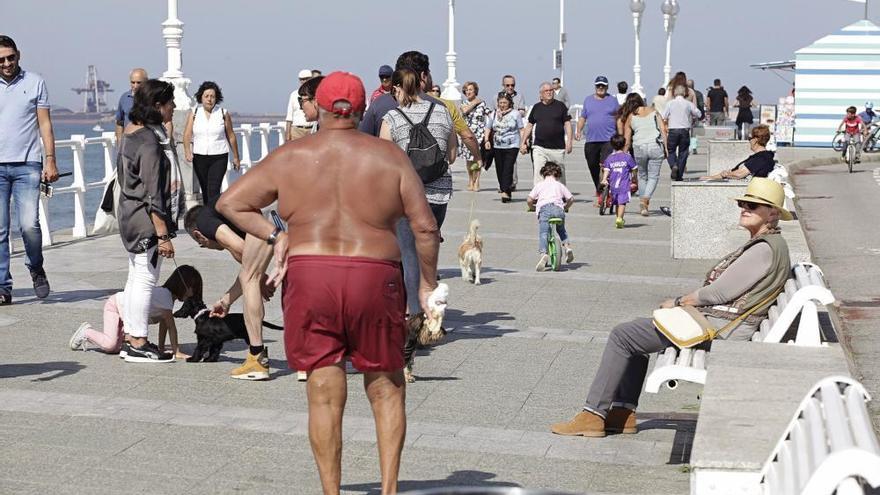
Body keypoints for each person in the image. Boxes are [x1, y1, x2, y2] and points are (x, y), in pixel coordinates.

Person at [217, 70, 440, 495]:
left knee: (322, 386)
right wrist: (426, 285)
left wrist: (276, 234)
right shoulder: (389, 157)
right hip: (375, 275)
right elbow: (425, 228)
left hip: (311, 275)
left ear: (317, 106)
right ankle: (389, 489)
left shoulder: (291, 155)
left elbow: (230, 202)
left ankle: (331, 491)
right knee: (387, 385)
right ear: (361, 109)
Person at [551, 177, 792, 438]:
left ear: (773, 213)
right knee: (634, 334)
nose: (745, 208)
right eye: (744, 203)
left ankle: (593, 415)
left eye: (753, 206)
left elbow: (719, 292)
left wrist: (678, 302)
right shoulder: (770, 244)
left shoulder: (764, 249)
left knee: (623, 336)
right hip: (727, 325)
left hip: (721, 331)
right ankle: (622, 414)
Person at [116, 79, 182, 363]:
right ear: (157, 106)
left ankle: (132, 337)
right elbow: (154, 192)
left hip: (128, 215)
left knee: (135, 277)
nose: (174, 107)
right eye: (170, 103)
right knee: (145, 279)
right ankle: (139, 341)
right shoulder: (149, 142)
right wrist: (163, 234)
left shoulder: (130, 134)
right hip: (145, 220)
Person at [380, 68, 454, 316]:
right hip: (439, 195)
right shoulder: (443, 112)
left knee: (409, 257)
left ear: (398, 89)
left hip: (406, 198)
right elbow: (452, 156)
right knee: (429, 257)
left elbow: (383, 163)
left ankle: (415, 315)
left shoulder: (392, 117)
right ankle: (432, 306)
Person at [183, 203, 277, 380]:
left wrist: (260, 276)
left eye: (202, 245)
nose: (208, 247)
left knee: (252, 280)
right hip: (281, 216)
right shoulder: (222, 217)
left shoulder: (205, 222)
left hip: (266, 219)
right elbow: (248, 268)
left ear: (198, 235)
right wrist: (227, 300)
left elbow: (245, 257)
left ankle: (256, 358)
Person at [0, 35, 58, 305]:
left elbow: (44, 124)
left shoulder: (35, 82)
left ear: (18, 55)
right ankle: (3, 286)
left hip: (28, 164)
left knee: (29, 226)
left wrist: (50, 159)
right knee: (0, 230)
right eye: (1, 60)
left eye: (11, 57)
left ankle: (36, 267)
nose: (7, 63)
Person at [360, 51, 481, 169]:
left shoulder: (379, 105)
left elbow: (363, 144)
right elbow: (455, 152)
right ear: (423, 75)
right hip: (436, 183)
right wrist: (477, 157)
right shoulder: (443, 107)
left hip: (396, 182)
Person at [69, 265, 202, 360]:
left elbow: (164, 326)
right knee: (110, 346)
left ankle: (112, 337)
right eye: (192, 288)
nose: (193, 293)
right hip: (115, 306)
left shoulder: (167, 298)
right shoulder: (165, 297)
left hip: (126, 312)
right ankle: (86, 332)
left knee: (116, 348)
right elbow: (171, 327)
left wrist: (161, 349)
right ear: (182, 285)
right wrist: (177, 351)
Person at [183, 81, 240, 206]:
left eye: (212, 96)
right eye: (206, 96)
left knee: (213, 189)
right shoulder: (194, 112)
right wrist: (187, 151)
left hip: (219, 156)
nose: (209, 99)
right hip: (199, 156)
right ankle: (209, 217)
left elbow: (231, 135)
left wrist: (236, 157)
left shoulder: (223, 113)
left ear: (216, 98)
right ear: (201, 97)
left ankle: (213, 217)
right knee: (205, 189)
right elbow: (187, 134)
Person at [576, 76, 619, 204]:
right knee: (592, 165)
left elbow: (619, 118)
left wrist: (621, 134)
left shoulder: (613, 100)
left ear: (607, 87)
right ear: (595, 86)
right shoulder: (588, 100)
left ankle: (607, 192)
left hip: (608, 139)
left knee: (605, 166)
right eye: (598, 86)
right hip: (591, 139)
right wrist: (578, 130)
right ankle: (599, 188)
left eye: (603, 86)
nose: (601, 88)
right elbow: (583, 117)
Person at [623, 93, 667, 216]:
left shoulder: (630, 117)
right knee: (653, 176)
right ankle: (645, 200)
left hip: (639, 147)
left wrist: (624, 154)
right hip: (655, 146)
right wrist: (666, 148)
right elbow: (663, 130)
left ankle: (644, 207)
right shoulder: (654, 111)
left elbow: (627, 140)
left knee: (642, 176)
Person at [520, 82, 572, 186]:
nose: (549, 92)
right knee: (539, 171)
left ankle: (561, 194)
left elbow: (567, 124)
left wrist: (569, 141)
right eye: (546, 91)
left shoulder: (560, 106)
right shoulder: (536, 107)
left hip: (557, 148)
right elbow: (529, 125)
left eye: (551, 90)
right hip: (540, 147)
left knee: (559, 173)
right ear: (541, 94)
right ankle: (538, 194)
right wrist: (523, 142)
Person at [527, 162, 574, 271]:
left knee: (543, 233)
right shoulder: (559, 185)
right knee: (562, 230)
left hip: (545, 210)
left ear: (543, 174)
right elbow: (571, 199)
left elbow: (529, 199)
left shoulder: (539, 185)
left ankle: (544, 253)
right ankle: (567, 248)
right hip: (559, 210)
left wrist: (532, 207)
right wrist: (566, 207)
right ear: (557, 174)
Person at [486, 92, 523, 203]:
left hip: (512, 145)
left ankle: (505, 190)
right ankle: (506, 190)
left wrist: (523, 143)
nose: (502, 105)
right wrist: (486, 140)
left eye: (505, 102)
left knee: (508, 167)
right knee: (500, 169)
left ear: (509, 103)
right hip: (498, 145)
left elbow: (521, 129)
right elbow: (488, 128)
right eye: (500, 102)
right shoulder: (493, 114)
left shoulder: (515, 114)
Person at [701, 125, 776, 180]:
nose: (749, 141)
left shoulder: (761, 158)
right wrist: (711, 177)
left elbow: (739, 174)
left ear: (755, 140)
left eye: (750, 138)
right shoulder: (762, 156)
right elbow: (734, 172)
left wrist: (725, 174)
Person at [661, 85, 701, 181]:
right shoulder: (688, 104)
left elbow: (664, 116)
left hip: (673, 130)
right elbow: (698, 113)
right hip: (684, 131)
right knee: (683, 153)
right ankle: (679, 176)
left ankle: (673, 165)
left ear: (674, 93)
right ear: (684, 93)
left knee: (671, 151)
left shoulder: (670, 103)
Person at [601, 134, 638, 229]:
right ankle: (620, 218)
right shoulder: (627, 157)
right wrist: (634, 178)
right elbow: (634, 168)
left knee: (617, 202)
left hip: (613, 185)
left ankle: (618, 218)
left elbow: (606, 170)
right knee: (622, 203)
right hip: (624, 185)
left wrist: (604, 179)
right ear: (624, 144)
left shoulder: (610, 158)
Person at [459, 81, 489, 191]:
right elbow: (465, 110)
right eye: (466, 90)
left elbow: (489, 115)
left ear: (475, 90)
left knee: (478, 158)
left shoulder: (482, 103)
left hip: (479, 134)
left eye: (470, 89)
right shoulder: (463, 103)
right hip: (467, 134)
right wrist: (475, 102)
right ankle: (471, 179)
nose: (468, 92)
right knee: (469, 159)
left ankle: (477, 181)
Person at [115, 68, 148, 145]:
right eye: (133, 82)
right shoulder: (124, 98)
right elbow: (119, 122)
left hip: (147, 143)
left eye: (138, 82)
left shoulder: (152, 98)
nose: (135, 86)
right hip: (128, 144)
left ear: (146, 82)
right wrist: (120, 143)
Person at [285, 69, 314, 142]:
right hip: (296, 130)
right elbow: (289, 116)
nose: (304, 81)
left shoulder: (315, 93)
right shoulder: (294, 94)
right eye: (302, 79)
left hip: (312, 130)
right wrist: (287, 134)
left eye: (306, 79)